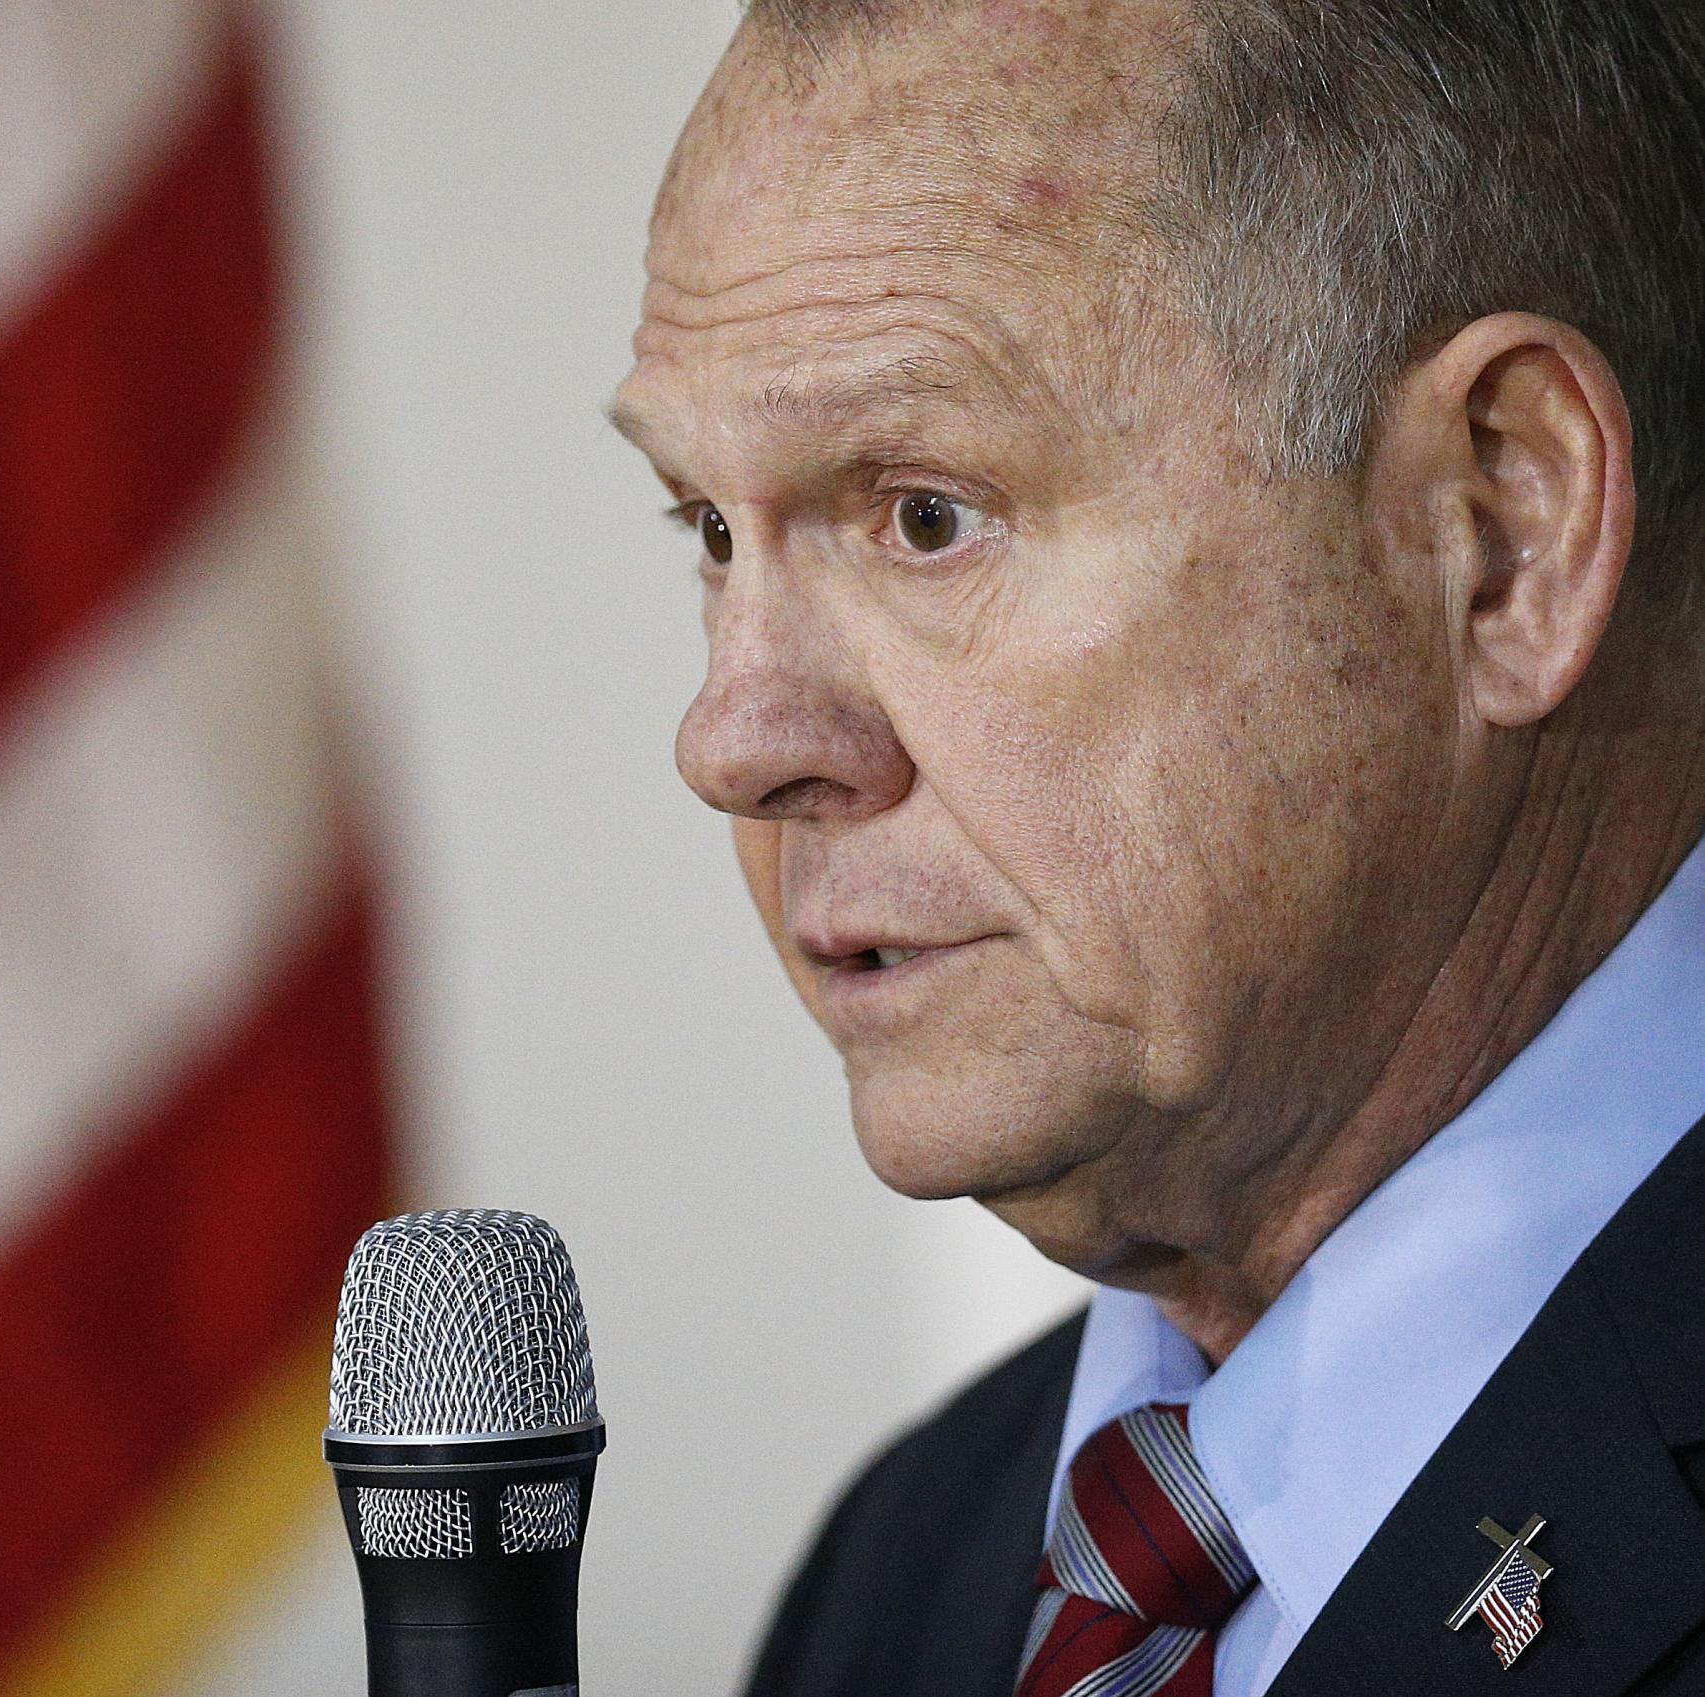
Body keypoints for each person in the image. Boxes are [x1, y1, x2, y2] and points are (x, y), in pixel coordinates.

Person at [608, 1, 1705, 1692]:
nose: (733, 740)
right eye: (708, 528)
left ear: (1499, 531)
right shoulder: (906, 1574)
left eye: (925, 515)